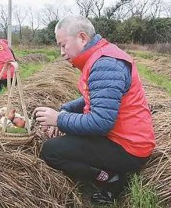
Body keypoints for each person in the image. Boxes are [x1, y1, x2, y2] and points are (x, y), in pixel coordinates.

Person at [33, 15, 156, 205]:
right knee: (63, 141)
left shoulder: (106, 64)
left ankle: (111, 178)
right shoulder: (101, 57)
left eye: (63, 45)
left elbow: (101, 123)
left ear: (82, 38)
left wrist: (59, 120)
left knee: (51, 151)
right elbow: (93, 97)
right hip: (124, 138)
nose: (61, 52)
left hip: (128, 148)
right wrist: (65, 111)